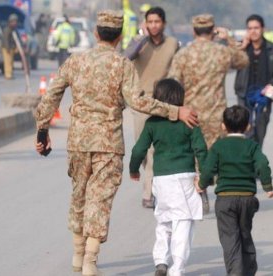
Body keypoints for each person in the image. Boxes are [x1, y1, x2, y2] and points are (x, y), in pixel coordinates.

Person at [34, 10, 198, 276]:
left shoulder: (76, 61)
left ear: (96, 33)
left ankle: (77, 255)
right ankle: (90, 260)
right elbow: (138, 102)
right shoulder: (123, 65)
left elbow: (51, 95)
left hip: (78, 142)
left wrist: (42, 131)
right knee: (100, 200)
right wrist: (174, 111)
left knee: (79, 195)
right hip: (109, 144)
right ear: (120, 36)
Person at [168, 14, 249, 214]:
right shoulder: (222, 52)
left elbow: (172, 83)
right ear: (213, 31)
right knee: (218, 156)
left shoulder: (183, 55)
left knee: (196, 156)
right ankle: (223, 195)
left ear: (194, 31)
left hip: (191, 115)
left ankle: (200, 191)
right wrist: (229, 38)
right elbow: (243, 61)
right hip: (216, 115)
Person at [129, 79, 207, 276]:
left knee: (164, 220)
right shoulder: (189, 121)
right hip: (184, 178)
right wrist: (204, 177)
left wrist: (133, 169)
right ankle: (177, 268)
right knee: (183, 222)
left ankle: (161, 260)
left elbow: (139, 149)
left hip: (161, 180)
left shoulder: (152, 123)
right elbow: (201, 150)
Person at [198, 105, 273, 276]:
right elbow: (262, 164)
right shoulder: (252, 146)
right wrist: (267, 186)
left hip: (225, 200)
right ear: (248, 126)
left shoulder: (218, 146)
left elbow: (208, 168)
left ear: (223, 126)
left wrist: (202, 184)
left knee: (230, 240)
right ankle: (249, 270)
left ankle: (236, 273)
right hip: (247, 199)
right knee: (244, 234)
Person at [125, 7, 179, 208]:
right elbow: (125, 58)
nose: (154, 25)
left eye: (157, 22)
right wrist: (141, 39)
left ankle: (148, 192)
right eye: (150, 22)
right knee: (142, 148)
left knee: (155, 150)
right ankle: (151, 182)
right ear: (145, 24)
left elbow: (177, 69)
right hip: (140, 103)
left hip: (162, 103)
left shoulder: (173, 44)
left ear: (163, 23)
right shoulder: (138, 43)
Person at [234, 14, 273, 146]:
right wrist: (242, 47)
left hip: (264, 95)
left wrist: (271, 84)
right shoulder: (242, 48)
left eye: (256, 28)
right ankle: (247, 161)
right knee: (245, 129)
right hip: (244, 93)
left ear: (262, 29)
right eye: (250, 28)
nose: (253, 31)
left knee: (260, 130)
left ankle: (256, 156)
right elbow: (230, 61)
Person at [1, 14, 19, 80]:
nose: (15, 23)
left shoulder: (13, 29)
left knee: (11, 62)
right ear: (10, 22)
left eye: (16, 21)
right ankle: (8, 74)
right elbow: (5, 40)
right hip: (6, 48)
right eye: (13, 21)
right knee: (7, 62)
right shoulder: (7, 30)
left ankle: (10, 73)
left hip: (11, 48)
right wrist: (8, 48)